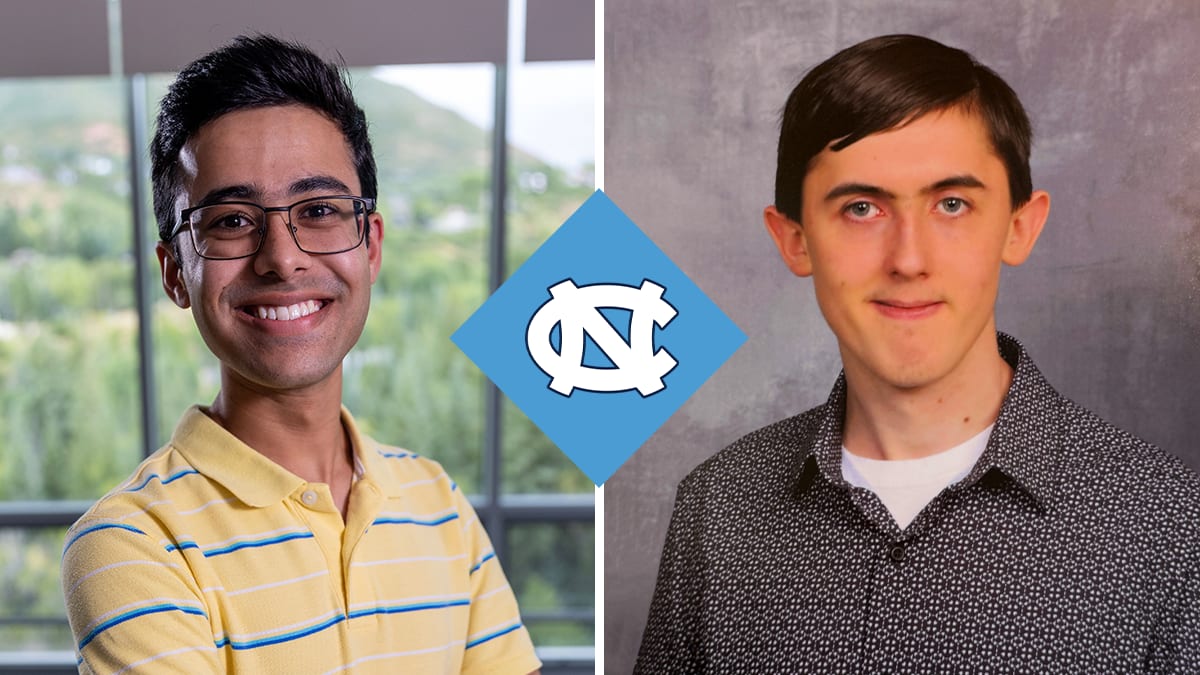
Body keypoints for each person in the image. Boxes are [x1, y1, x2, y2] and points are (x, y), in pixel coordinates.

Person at [635, 34, 1200, 672]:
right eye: (861, 208)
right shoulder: (719, 508)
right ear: (794, 240)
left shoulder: (1170, 526)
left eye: (952, 205)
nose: (909, 259)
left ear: (1020, 226)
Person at [61, 35, 540, 675]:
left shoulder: (438, 505)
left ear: (369, 246)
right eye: (231, 220)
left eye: (317, 210)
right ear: (176, 270)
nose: (282, 257)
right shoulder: (133, 546)